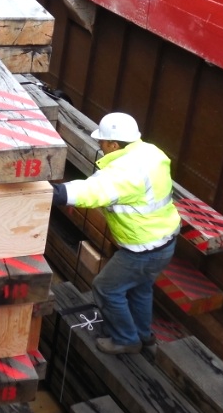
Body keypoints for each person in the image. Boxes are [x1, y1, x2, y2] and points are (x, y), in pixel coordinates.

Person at [51, 112, 180, 355]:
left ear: (113, 144)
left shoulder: (125, 172)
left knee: (106, 288)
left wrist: (51, 192)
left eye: (102, 142)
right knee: (140, 289)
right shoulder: (151, 153)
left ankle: (125, 339)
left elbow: (93, 191)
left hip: (143, 249)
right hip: (165, 241)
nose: (100, 146)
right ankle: (145, 337)